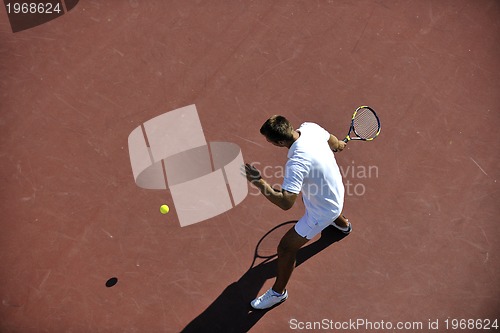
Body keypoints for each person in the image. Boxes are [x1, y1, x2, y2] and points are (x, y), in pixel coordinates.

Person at [245, 115, 351, 310]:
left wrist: (258, 182)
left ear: (278, 142)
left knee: (285, 248)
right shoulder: (311, 127)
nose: (269, 143)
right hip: (336, 191)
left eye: (269, 140)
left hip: (323, 210)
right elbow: (335, 143)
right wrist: (339, 146)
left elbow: (286, 203)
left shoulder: (297, 163)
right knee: (309, 196)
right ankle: (343, 226)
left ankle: (278, 293)